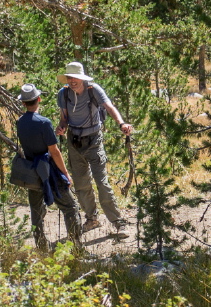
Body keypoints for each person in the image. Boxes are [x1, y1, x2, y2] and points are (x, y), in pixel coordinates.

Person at [54, 61, 132, 238]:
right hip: (73, 142)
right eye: (69, 78)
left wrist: (121, 123)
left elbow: (109, 107)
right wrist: (61, 127)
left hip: (94, 140)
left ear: (82, 78)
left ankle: (118, 223)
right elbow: (64, 118)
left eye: (75, 78)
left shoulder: (94, 89)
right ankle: (92, 219)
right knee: (81, 184)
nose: (72, 81)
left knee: (102, 184)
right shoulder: (63, 93)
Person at [15, 84, 83, 252]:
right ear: (39, 99)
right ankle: (77, 247)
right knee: (70, 207)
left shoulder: (20, 122)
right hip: (49, 171)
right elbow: (54, 151)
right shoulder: (44, 123)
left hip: (31, 171)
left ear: (23, 103)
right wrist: (65, 174)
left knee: (36, 212)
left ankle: (41, 247)